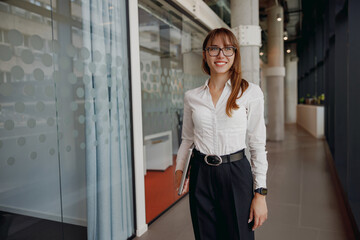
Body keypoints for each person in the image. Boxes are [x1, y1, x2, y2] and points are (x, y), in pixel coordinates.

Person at [175, 28, 268, 240]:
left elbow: (257, 144)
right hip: (201, 173)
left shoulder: (250, 93)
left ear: (235, 55)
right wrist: (180, 169)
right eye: (214, 49)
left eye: (228, 49)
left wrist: (260, 193)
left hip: (235, 173)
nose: (221, 55)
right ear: (205, 54)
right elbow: (187, 139)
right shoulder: (192, 97)